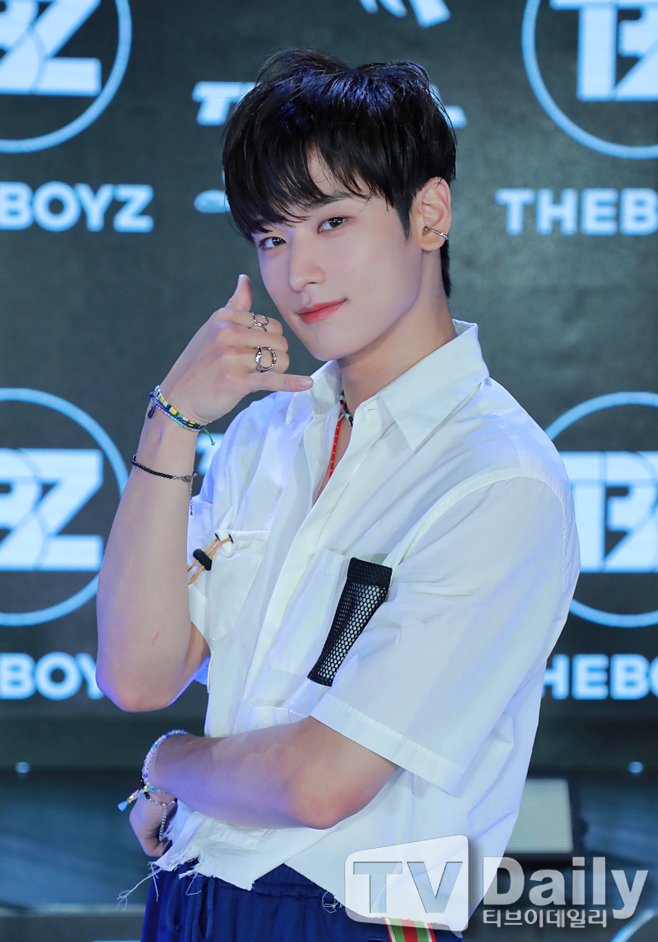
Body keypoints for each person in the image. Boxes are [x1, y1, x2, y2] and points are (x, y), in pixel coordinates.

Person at [96, 48, 580, 942]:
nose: (299, 274)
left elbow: (321, 785)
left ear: (428, 214)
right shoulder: (266, 436)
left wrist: (169, 764)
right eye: (273, 238)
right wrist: (171, 423)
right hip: (191, 894)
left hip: (357, 916)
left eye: (332, 222)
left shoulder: (498, 478)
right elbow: (137, 673)